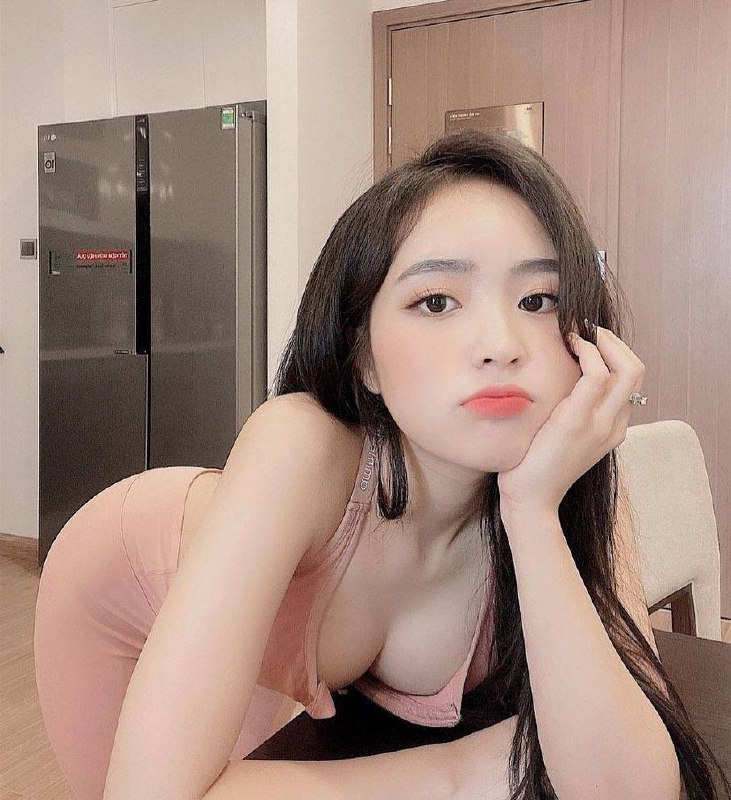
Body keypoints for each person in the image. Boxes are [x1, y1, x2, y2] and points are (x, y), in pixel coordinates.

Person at [34, 129, 728, 800]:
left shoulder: (571, 480)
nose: (500, 343)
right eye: (436, 301)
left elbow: (631, 788)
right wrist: (464, 775)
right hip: (125, 595)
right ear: (362, 355)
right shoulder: (297, 446)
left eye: (537, 300)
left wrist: (532, 509)